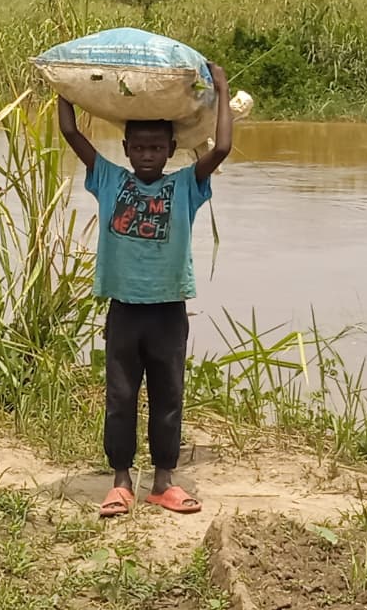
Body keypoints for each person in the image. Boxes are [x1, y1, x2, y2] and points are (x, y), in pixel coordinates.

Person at [56, 66, 235, 517]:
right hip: (124, 309)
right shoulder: (110, 180)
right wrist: (63, 85)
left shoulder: (184, 186)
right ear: (126, 149)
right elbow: (69, 130)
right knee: (119, 398)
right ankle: (120, 482)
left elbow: (225, 147)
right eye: (139, 148)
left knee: (168, 396)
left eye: (156, 148)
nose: (147, 155)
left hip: (168, 311)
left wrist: (222, 89)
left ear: (171, 150)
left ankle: (163, 483)